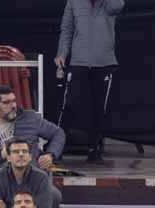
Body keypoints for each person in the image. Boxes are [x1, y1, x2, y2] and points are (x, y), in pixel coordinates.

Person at [54, 0, 121, 161]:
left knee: (100, 108)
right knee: (69, 103)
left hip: (104, 61)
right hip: (79, 60)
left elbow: (117, 7)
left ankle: (94, 149)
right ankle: (57, 148)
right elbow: (67, 28)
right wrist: (62, 53)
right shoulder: (74, 1)